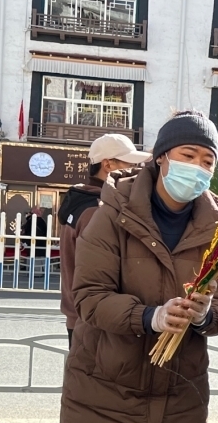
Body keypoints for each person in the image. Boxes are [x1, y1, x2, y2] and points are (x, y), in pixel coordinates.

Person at [59, 110, 218, 423]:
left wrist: (204, 316)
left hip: (180, 402)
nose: (198, 168)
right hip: (104, 395)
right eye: (188, 155)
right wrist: (150, 317)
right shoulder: (112, 213)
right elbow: (90, 296)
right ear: (161, 157)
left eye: (208, 161)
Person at [59, 134, 152, 348]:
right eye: (130, 164)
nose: (136, 171)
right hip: (96, 321)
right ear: (108, 165)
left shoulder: (79, 201)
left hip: (81, 315)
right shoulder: (97, 211)